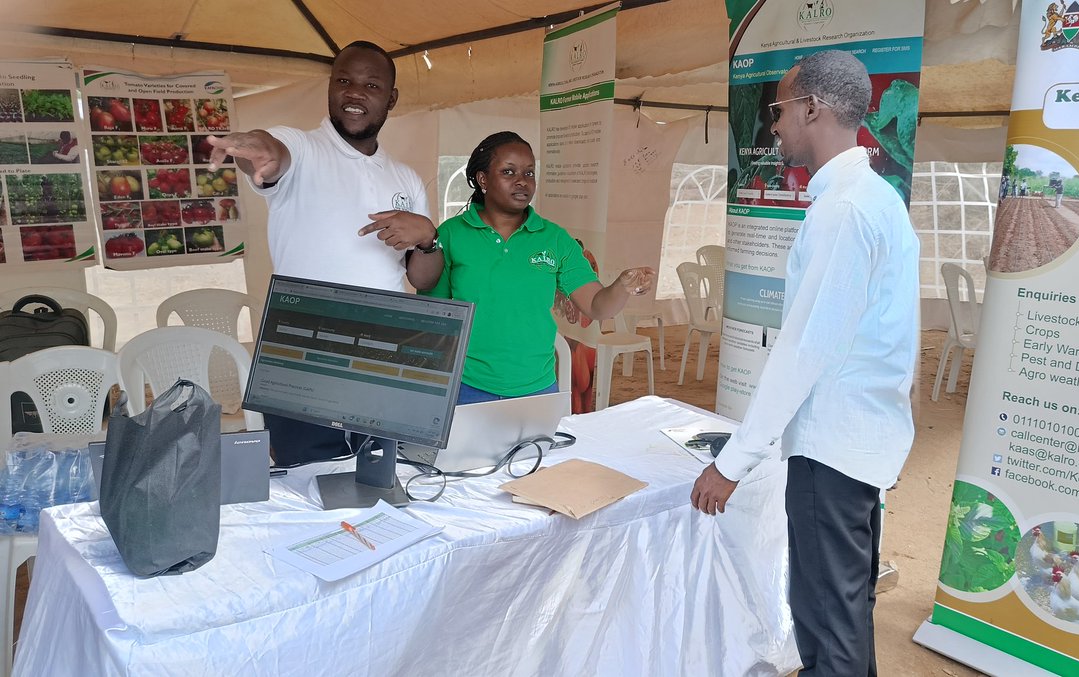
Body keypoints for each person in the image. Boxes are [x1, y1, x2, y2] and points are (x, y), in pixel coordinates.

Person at [690, 50, 919, 676]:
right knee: (842, 613)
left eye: (780, 111)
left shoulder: (844, 210)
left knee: (828, 628)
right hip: (857, 438)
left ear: (812, 108)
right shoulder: (873, 196)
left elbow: (804, 350)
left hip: (832, 447)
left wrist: (733, 461)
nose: (774, 127)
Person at [208, 40, 444, 465]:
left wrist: (428, 237)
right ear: (330, 88)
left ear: (390, 98)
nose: (355, 93)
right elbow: (272, 151)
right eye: (344, 81)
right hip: (302, 355)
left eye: (371, 85)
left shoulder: (405, 178)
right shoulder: (301, 147)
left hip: (382, 356)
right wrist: (258, 150)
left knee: (377, 479)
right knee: (305, 483)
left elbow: (422, 279)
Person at [424, 131, 655, 404]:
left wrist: (621, 287)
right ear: (483, 179)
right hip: (466, 386)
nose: (522, 181)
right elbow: (432, 312)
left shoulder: (554, 239)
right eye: (509, 172)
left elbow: (595, 305)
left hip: (537, 388)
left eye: (530, 173)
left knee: (538, 449)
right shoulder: (452, 234)